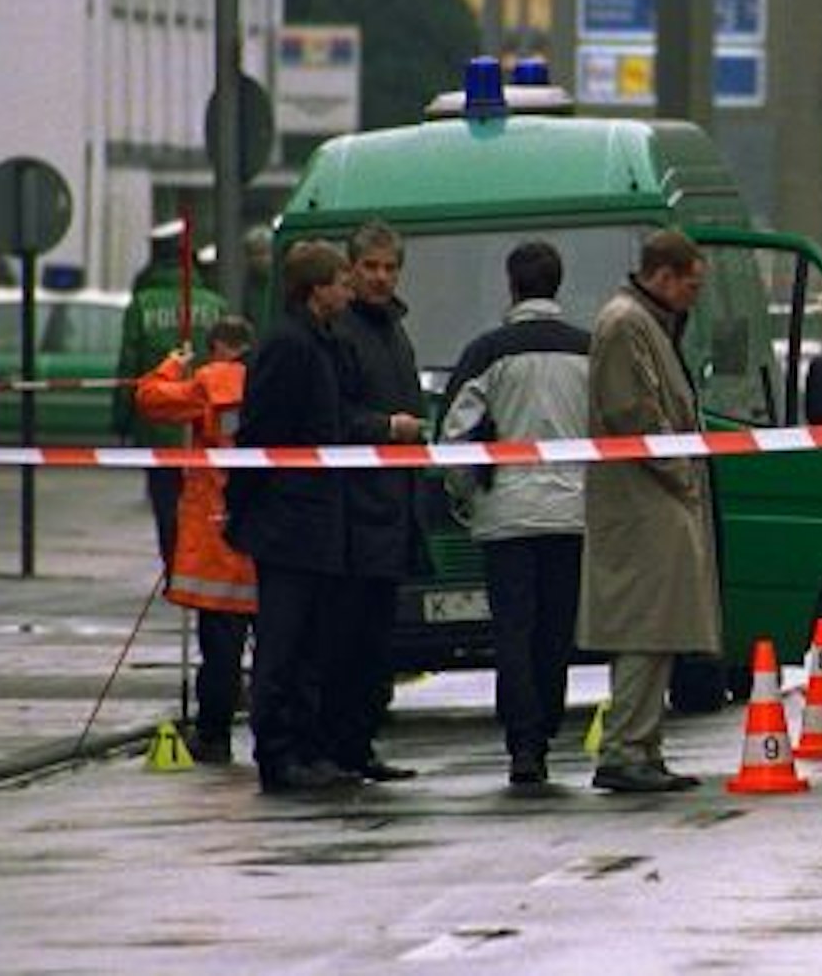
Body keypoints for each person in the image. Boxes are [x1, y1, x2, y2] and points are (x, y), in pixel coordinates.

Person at [440, 241, 592, 786]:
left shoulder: (487, 352)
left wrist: (466, 495)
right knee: (556, 630)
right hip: (572, 513)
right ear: (558, 284)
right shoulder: (587, 349)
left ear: (512, 285)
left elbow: (456, 434)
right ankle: (546, 727)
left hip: (505, 515)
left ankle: (523, 743)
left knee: (514, 631)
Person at [576, 229, 717, 793]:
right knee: (644, 628)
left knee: (658, 630)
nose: (694, 295)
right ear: (663, 275)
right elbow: (635, 413)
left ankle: (642, 744)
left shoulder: (642, 322)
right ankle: (626, 748)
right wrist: (681, 475)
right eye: (691, 283)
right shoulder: (627, 325)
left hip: (652, 502)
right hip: (643, 505)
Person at [226, 239, 356, 794]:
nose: (347, 291)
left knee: (309, 643)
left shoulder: (320, 342)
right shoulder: (289, 347)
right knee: (282, 642)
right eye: (341, 281)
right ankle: (277, 753)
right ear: (316, 290)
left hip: (314, 517)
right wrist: (247, 507)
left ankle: (306, 747)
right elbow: (263, 435)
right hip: (289, 520)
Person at [135, 315, 257, 765]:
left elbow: (148, 398)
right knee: (278, 648)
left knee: (221, 649)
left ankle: (213, 736)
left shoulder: (209, 381)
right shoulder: (271, 378)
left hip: (218, 534)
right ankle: (279, 737)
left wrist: (173, 363)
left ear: (217, 348)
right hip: (268, 530)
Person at [328, 222, 426, 783]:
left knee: (376, 642)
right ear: (351, 269)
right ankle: (343, 745)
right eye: (371, 267)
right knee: (347, 638)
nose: (381, 277)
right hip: (355, 514)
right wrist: (387, 427)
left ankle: (361, 744)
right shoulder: (343, 331)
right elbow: (334, 416)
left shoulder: (395, 332)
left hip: (392, 509)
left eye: (390, 268)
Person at [117, 220, 227, 568]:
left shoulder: (141, 305)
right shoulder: (216, 304)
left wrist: (121, 422)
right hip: (208, 427)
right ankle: (202, 570)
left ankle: (174, 570)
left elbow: (128, 369)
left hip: (158, 427)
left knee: (167, 506)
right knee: (207, 505)